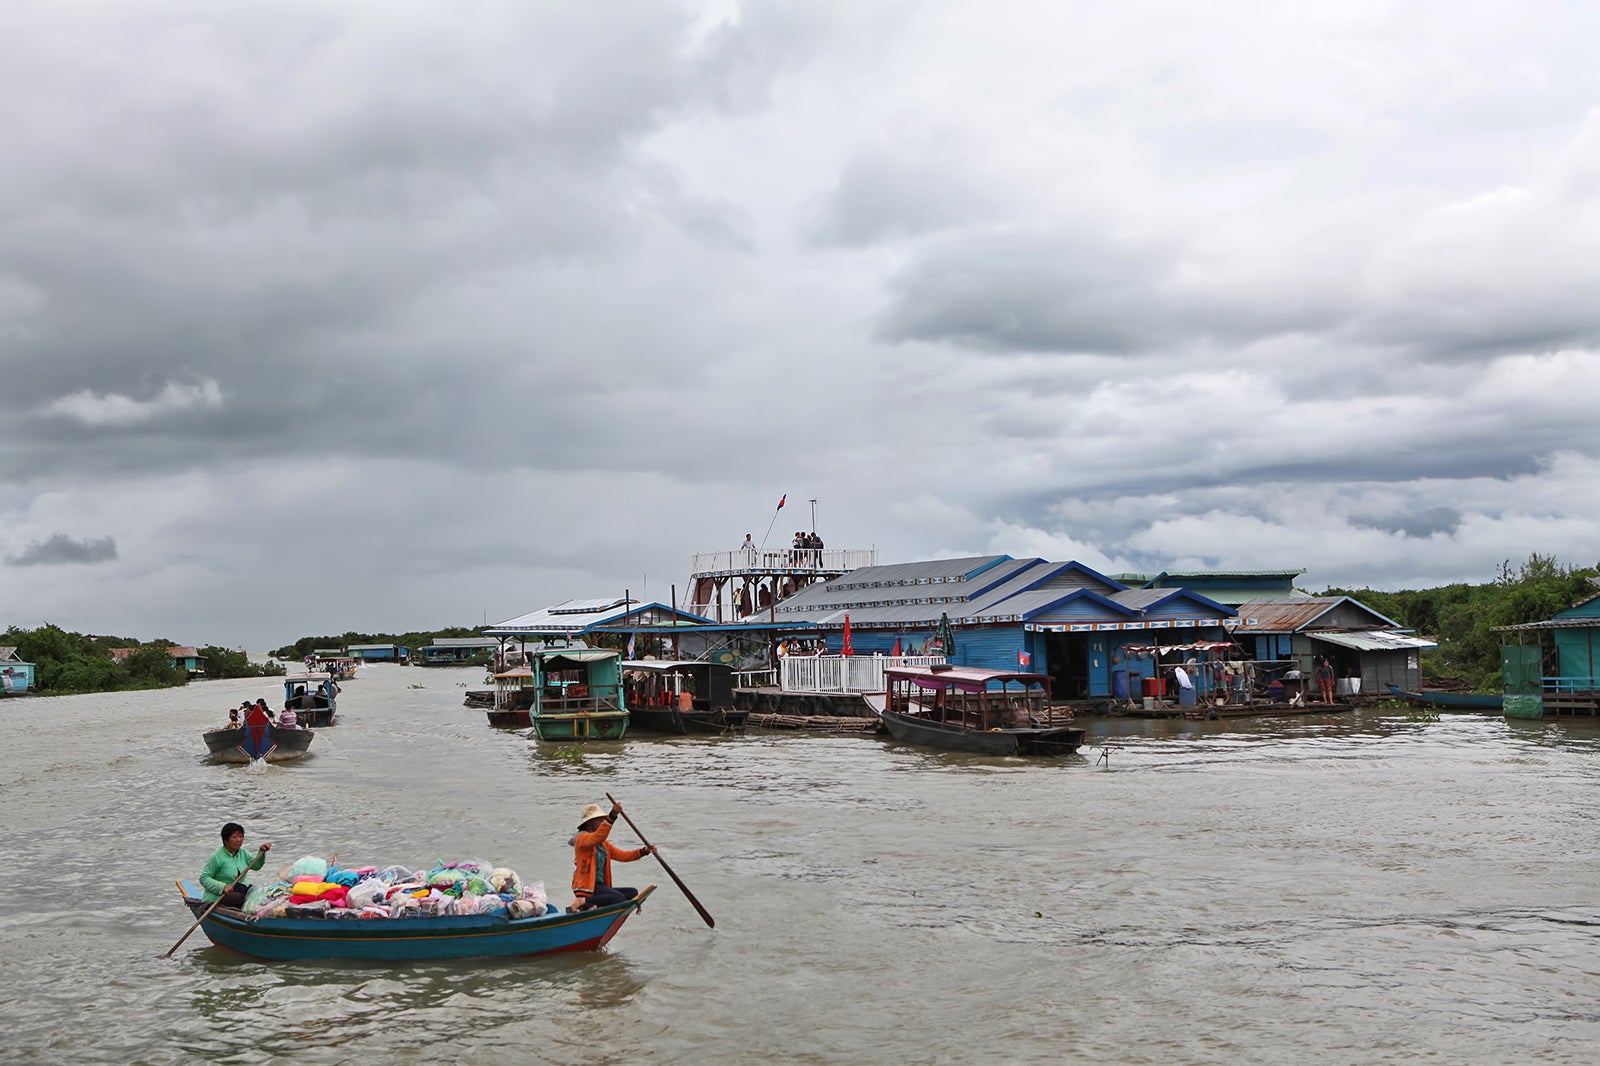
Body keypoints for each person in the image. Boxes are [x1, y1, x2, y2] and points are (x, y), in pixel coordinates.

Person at [569, 802, 653, 912]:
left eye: (602, 820)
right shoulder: (581, 838)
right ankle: (583, 901)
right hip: (586, 886)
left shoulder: (604, 845)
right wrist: (613, 815)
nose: (601, 822)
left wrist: (643, 851)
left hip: (599, 886)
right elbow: (596, 837)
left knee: (632, 893)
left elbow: (623, 855)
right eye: (599, 820)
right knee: (617, 898)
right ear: (589, 823)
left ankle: (594, 904)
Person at [199, 822, 272, 908]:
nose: (238, 840)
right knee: (240, 898)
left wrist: (262, 852)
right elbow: (204, 878)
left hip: (240, 889)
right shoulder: (216, 857)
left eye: (240, 837)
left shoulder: (243, 853)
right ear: (226, 840)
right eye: (234, 837)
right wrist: (223, 887)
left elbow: (256, 866)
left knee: (262, 894)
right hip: (219, 896)